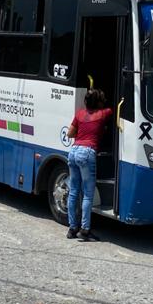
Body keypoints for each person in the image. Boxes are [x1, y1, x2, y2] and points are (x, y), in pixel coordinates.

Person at [66, 88, 113, 241]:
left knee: (73, 191)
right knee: (87, 194)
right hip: (87, 152)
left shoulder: (79, 114)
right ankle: (85, 230)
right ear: (99, 103)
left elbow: (70, 133)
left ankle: (72, 228)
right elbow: (115, 108)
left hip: (73, 151)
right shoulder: (103, 114)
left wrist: (83, 130)